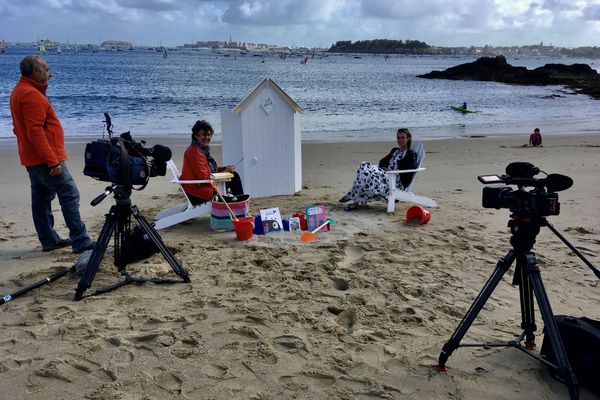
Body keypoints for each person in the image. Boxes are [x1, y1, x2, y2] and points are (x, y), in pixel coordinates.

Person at [10, 55, 94, 253]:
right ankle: (80, 240)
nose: (50, 73)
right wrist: (52, 161)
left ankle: (49, 239)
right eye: (47, 69)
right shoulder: (30, 94)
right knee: (69, 193)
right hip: (44, 157)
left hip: (32, 156)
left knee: (41, 198)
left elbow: (19, 128)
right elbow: (35, 131)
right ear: (36, 72)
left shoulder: (20, 91)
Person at [339, 128, 418, 211]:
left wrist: (394, 172)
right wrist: (385, 168)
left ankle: (353, 197)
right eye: (398, 137)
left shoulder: (410, 154)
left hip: (394, 181)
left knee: (365, 175)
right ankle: (355, 199)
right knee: (363, 165)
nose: (400, 140)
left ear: (408, 138)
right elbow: (382, 161)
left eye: (402, 137)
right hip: (384, 176)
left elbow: (412, 169)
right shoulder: (395, 150)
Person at [180, 120, 244, 205]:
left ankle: (237, 203)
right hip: (198, 193)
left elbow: (208, 170)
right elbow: (204, 177)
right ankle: (239, 204)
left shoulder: (200, 149)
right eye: (204, 135)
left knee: (233, 176)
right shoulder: (195, 152)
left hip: (200, 187)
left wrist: (225, 169)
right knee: (234, 177)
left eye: (208, 135)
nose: (207, 138)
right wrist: (225, 172)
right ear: (196, 136)